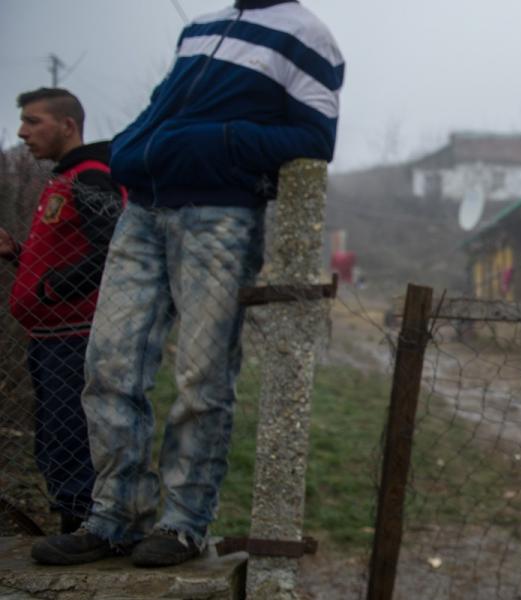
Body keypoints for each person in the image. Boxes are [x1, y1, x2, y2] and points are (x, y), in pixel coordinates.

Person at [31, 0, 344, 567]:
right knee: (108, 366)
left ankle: (183, 524)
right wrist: (133, 147)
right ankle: (114, 517)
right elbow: (160, 108)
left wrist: (215, 145)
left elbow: (315, 136)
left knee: (202, 378)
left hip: (220, 216)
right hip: (143, 210)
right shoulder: (199, 29)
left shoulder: (307, 36)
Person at [2, 88, 123, 535]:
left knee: (71, 436)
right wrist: (18, 255)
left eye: (34, 121)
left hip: (76, 338)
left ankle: (84, 531)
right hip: (50, 336)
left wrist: (52, 290)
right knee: (54, 436)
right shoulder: (65, 179)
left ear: (67, 125)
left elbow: (112, 249)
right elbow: (69, 252)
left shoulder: (91, 177)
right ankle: (72, 524)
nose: (22, 132)